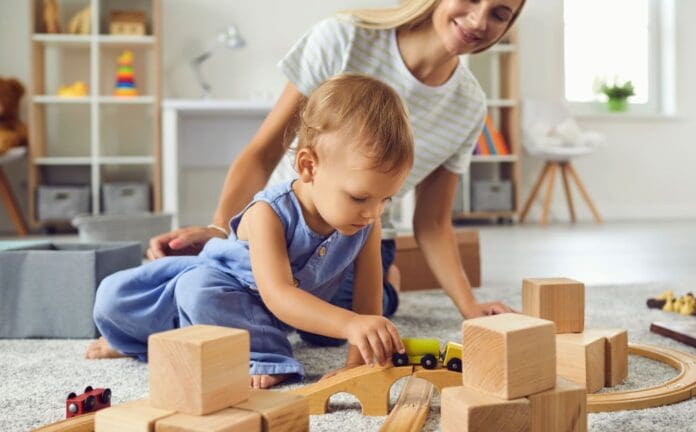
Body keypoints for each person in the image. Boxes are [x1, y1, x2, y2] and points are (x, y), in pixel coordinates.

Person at [148, 0, 525, 326]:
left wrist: (469, 307)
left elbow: (432, 220)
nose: (479, 21)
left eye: (500, 14)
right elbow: (264, 153)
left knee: (329, 321)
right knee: (195, 288)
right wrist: (220, 233)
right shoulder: (343, 38)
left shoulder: (469, 105)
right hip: (277, 226)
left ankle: (386, 282)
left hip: (357, 240)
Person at [86, 74, 413, 389]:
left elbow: (367, 301)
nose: (373, 212)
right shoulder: (268, 212)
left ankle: (192, 337)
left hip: (294, 307)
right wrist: (349, 323)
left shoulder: (367, 222)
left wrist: (356, 363)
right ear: (308, 166)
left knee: (336, 328)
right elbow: (279, 295)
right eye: (359, 197)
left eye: (386, 199)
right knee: (128, 297)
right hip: (233, 289)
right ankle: (163, 343)